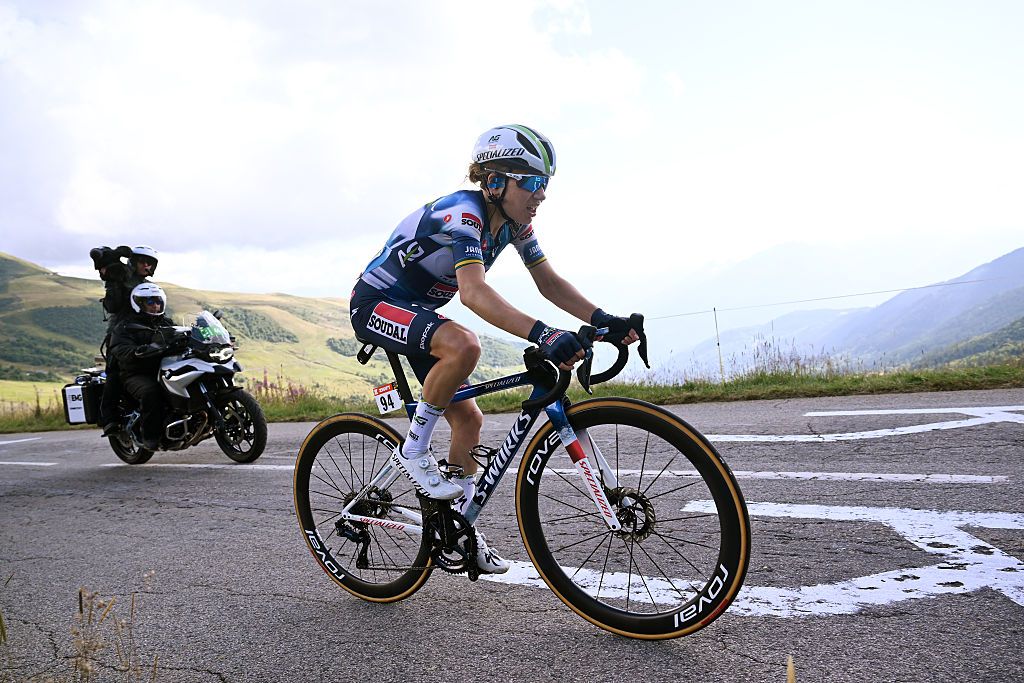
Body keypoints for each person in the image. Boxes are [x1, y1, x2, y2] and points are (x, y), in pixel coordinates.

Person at [350, 124, 640, 574]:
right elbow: (473, 293)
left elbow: (548, 282)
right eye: (534, 182)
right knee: (464, 343)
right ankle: (413, 451)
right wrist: (543, 334)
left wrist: (601, 319)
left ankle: (459, 529)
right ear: (496, 180)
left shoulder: (516, 224)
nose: (541, 194)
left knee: (469, 417)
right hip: (376, 303)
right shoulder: (464, 214)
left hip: (418, 309)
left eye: (546, 185)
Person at [89, 245, 160, 435]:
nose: (147, 266)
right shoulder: (121, 274)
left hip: (146, 329)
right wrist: (112, 280)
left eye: (150, 263)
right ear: (133, 261)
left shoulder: (144, 282)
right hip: (122, 332)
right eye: (143, 262)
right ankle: (109, 418)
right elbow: (112, 306)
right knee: (115, 373)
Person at [107, 283, 174, 451]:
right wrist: (139, 351)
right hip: (135, 373)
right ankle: (151, 436)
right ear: (139, 304)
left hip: (163, 369)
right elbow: (120, 349)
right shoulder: (125, 327)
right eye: (150, 302)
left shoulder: (166, 323)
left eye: (158, 301)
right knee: (151, 392)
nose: (155, 305)